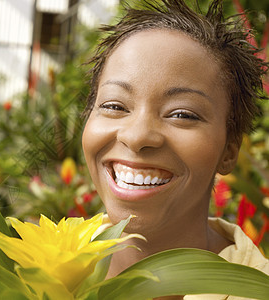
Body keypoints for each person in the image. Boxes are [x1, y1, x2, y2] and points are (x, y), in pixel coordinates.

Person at [82, 0, 269, 298]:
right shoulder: (26, 272)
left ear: (230, 150)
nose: (137, 136)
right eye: (114, 105)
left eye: (182, 114)